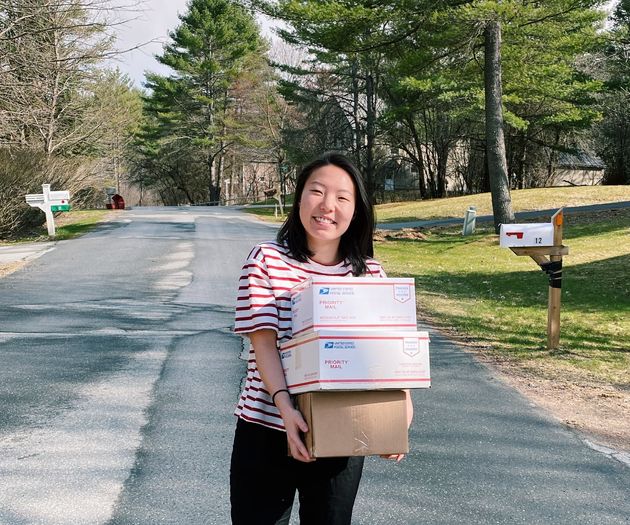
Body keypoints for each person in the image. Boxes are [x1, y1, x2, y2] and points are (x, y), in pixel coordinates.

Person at [230, 152, 413, 525]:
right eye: (316, 191)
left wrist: (400, 410)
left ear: (357, 210)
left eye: (342, 197)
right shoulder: (266, 260)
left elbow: (388, 353)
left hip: (340, 428)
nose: (327, 206)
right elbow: (264, 345)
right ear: (299, 198)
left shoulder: (370, 274)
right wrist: (286, 410)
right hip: (267, 428)